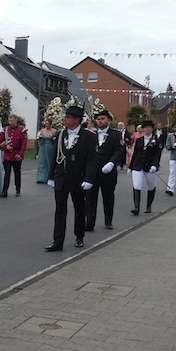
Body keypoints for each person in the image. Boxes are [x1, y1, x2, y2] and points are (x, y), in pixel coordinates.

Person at [45, 105, 97, 251]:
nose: (65, 120)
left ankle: (79, 236)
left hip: (78, 178)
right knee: (60, 210)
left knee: (79, 208)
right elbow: (55, 156)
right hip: (61, 177)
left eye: (68, 117)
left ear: (76, 120)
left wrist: (89, 179)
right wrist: (51, 176)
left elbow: (92, 160)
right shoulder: (60, 134)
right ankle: (57, 241)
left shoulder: (89, 137)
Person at [85, 108, 122, 231]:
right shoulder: (91, 135)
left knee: (108, 197)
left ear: (109, 120)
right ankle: (90, 222)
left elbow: (118, 150)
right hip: (93, 172)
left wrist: (112, 163)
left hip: (108, 172)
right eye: (98, 119)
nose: (100, 121)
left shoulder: (116, 135)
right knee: (90, 198)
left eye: (103, 119)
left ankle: (108, 220)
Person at [128, 120, 163, 215]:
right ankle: (136, 207)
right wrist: (130, 167)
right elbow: (135, 154)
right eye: (145, 127)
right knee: (137, 185)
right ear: (143, 129)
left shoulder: (157, 141)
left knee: (151, 186)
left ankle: (148, 205)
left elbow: (157, 155)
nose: (147, 129)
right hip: (138, 165)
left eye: (149, 127)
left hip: (150, 166)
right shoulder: (139, 140)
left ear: (152, 129)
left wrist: (155, 165)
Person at [0, 113, 28, 197]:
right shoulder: (5, 130)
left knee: (17, 173)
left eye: (12, 120)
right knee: (7, 174)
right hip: (7, 155)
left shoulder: (22, 130)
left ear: (16, 120)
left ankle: (18, 189)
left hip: (17, 154)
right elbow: (0, 142)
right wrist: (5, 147)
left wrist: (20, 155)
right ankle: (4, 191)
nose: (10, 122)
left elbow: (24, 144)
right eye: (9, 120)